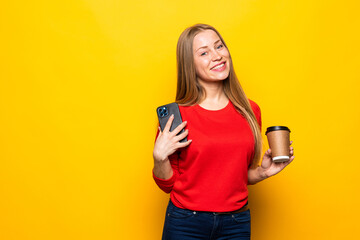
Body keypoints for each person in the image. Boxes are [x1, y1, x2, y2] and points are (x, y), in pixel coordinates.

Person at [152, 23, 295, 240]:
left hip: (235, 223)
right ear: (190, 64)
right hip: (185, 223)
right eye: (204, 52)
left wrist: (262, 172)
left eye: (219, 46)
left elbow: (234, 177)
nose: (217, 56)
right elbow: (168, 185)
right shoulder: (177, 115)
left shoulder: (250, 110)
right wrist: (159, 157)